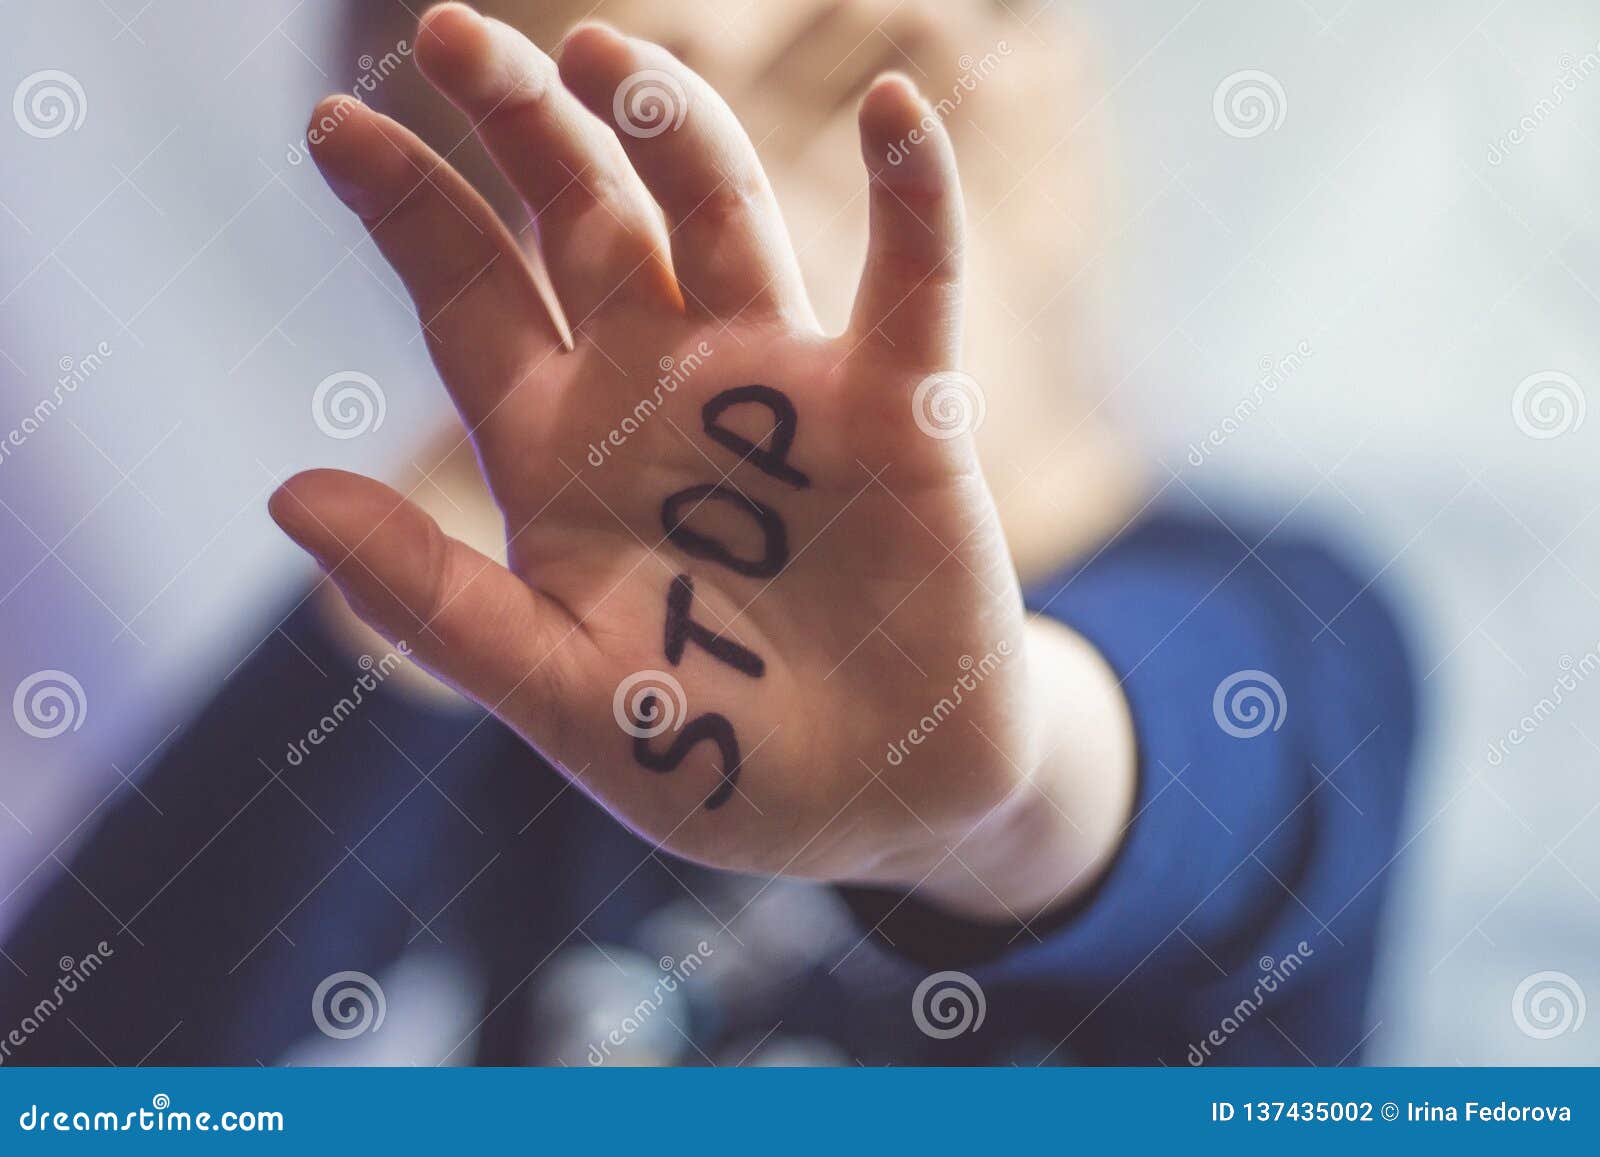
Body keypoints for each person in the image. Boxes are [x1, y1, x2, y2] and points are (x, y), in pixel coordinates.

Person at [0, 4, 1415, 1066]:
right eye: (624, 162)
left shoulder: (1284, 623)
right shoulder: (514, 705)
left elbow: (1189, 788)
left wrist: (1000, 784)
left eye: (841, 86)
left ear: (1039, 92)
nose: (779, 215)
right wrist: (430, 558)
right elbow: (74, 1069)